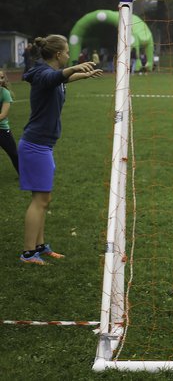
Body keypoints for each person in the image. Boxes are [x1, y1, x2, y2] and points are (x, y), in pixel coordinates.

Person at [19, 34, 103, 265]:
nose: (69, 55)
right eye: (67, 52)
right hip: (35, 146)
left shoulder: (50, 75)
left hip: (42, 145)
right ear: (58, 54)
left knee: (43, 198)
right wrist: (75, 68)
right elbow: (54, 77)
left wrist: (82, 75)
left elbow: (60, 80)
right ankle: (28, 254)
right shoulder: (44, 74)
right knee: (40, 200)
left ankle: (39, 246)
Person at [0, 70, 19, 173]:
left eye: (2, 77)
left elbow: (3, 115)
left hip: (2, 130)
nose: (0, 80)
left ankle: (24, 174)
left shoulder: (5, 93)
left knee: (13, 154)